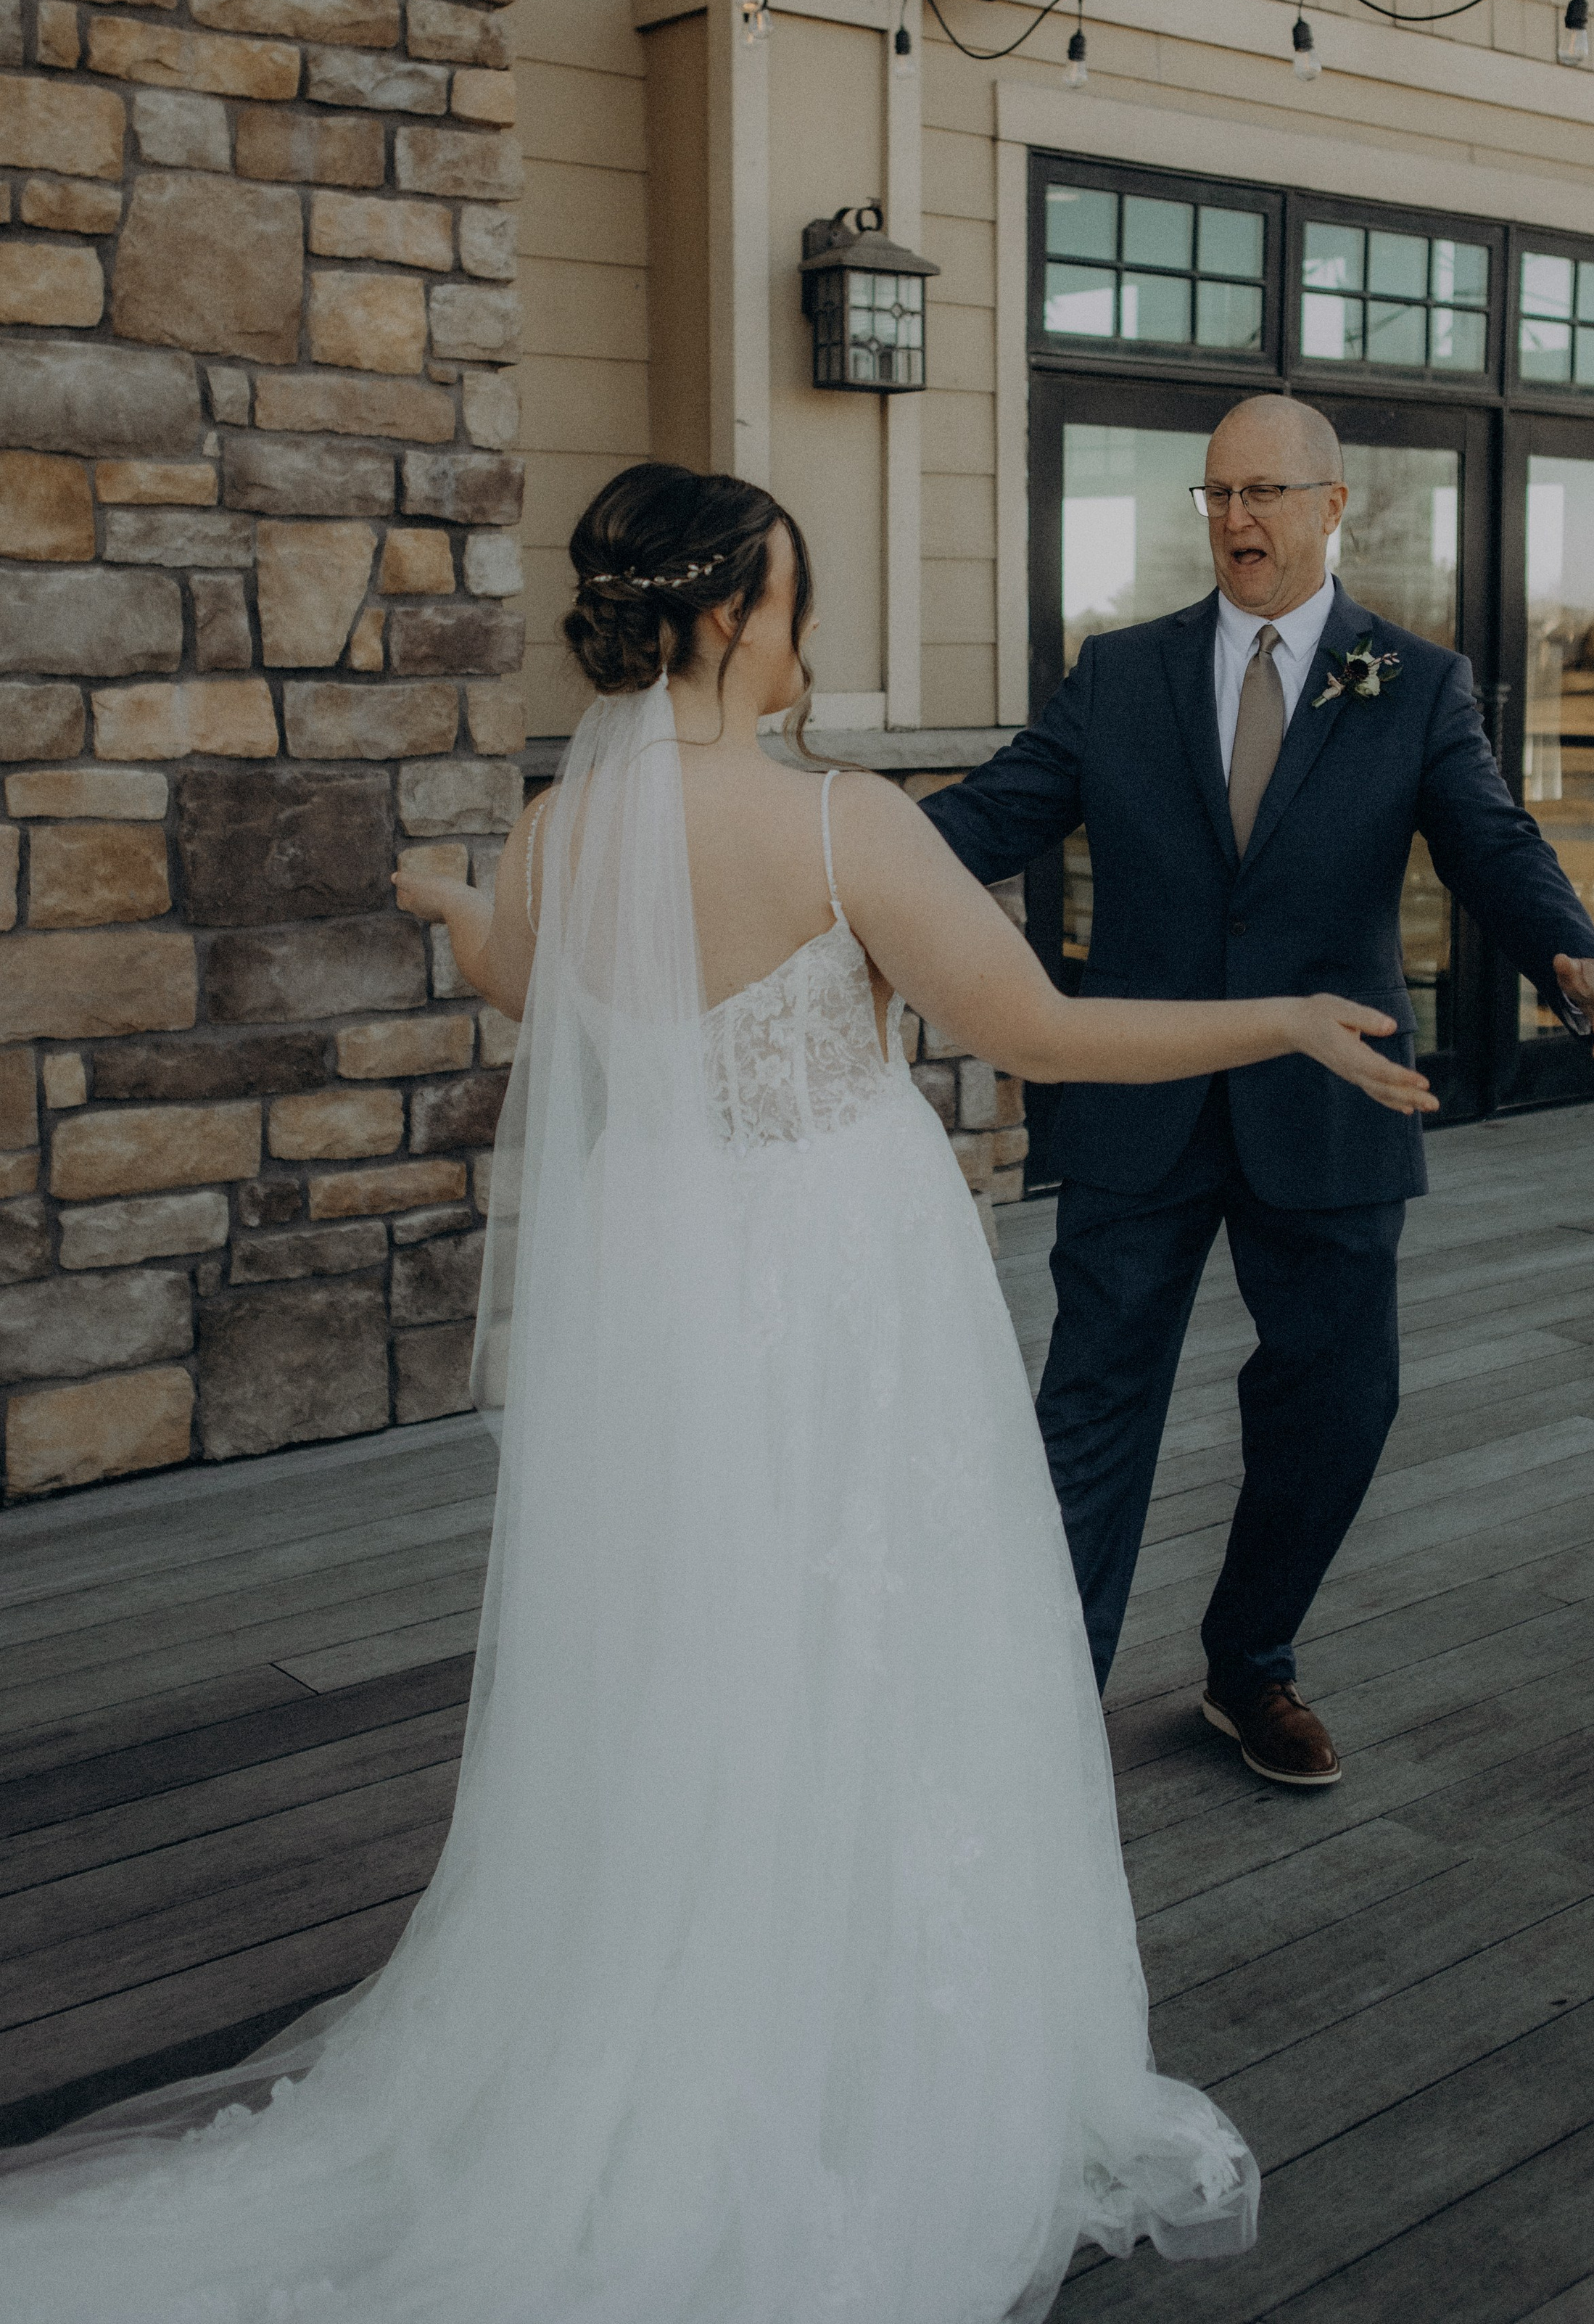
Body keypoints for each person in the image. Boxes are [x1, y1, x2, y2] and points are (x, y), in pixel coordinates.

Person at [0, 460, 1436, 2323]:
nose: (806, 627)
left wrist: (455, 905)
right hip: (837, 1285)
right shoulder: (841, 825)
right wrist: (1287, 1017)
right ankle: (852, 2056)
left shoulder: (559, 829)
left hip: (662, 1286)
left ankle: (672, 2004)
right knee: (873, 1642)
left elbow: (539, 989)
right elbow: (1045, 1033)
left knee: (690, 1647)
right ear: (734, 614)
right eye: (792, 595)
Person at [922, 395, 1594, 1787]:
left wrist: (1574, 956)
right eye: (1218, 495)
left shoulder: (1415, 680)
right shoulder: (1120, 672)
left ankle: (1251, 1665)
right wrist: (830, 855)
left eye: (1265, 493)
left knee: (1338, 1404)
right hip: (1142, 1102)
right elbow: (991, 815)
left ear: (1332, 504)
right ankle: (1042, 1707)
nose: (1237, 520)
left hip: (1332, 1101)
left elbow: (1491, 841)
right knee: (1092, 1406)